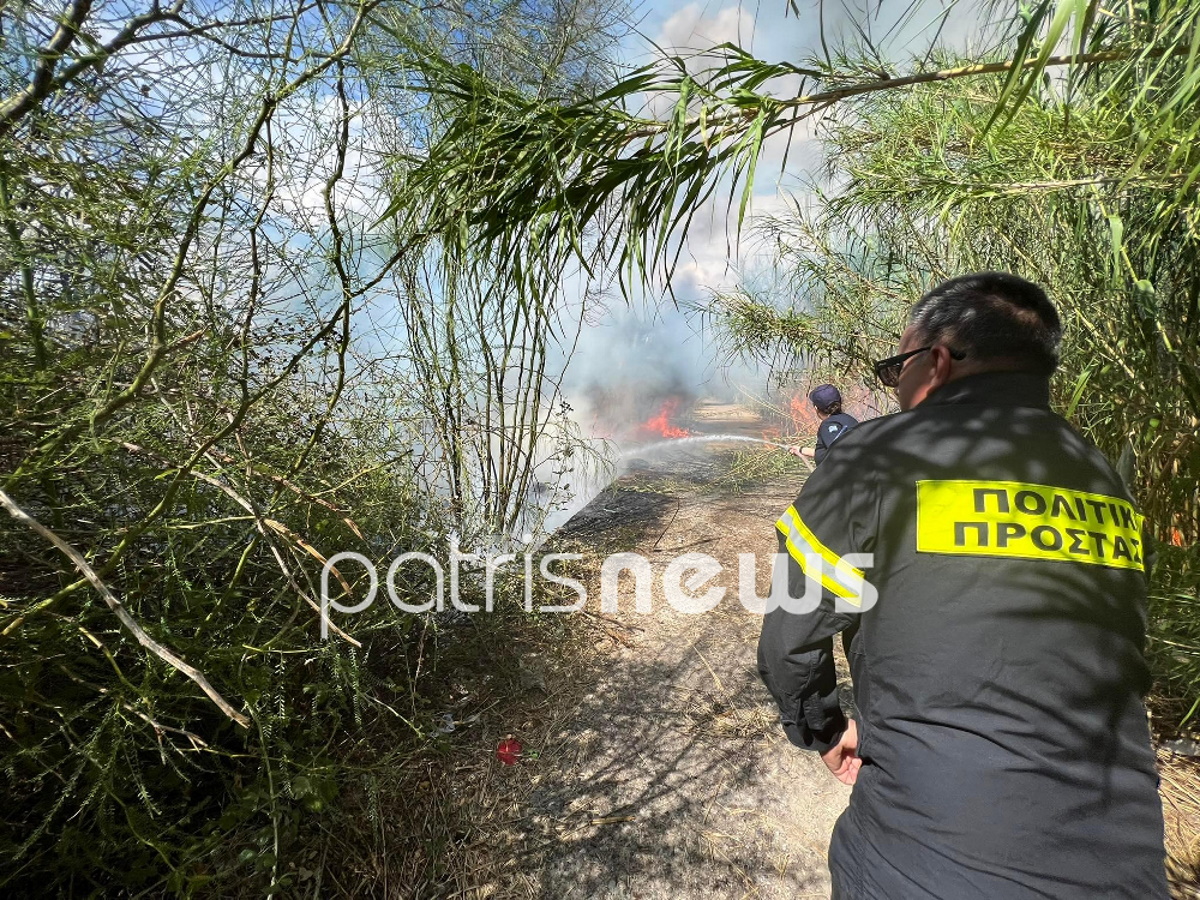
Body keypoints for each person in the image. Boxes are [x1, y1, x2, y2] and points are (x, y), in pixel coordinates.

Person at [757, 272, 1168, 899]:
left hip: (926, 858)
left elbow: (790, 635)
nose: (895, 386)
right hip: (1124, 864)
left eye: (896, 367)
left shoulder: (878, 455)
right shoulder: (1099, 474)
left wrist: (821, 728)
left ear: (937, 361)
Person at [788, 384, 859, 464]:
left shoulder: (828, 425)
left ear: (816, 408)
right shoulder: (849, 419)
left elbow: (839, 455)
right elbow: (829, 452)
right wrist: (801, 450)